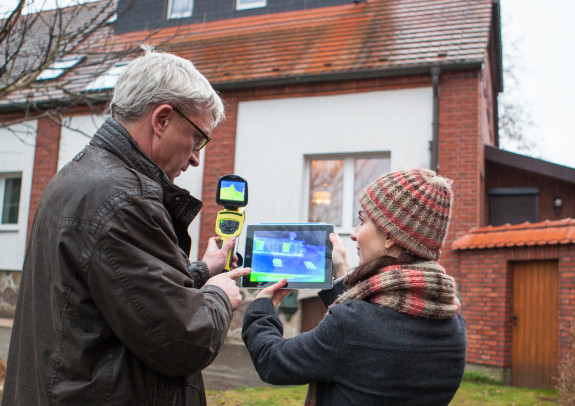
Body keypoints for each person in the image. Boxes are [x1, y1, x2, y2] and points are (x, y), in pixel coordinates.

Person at [3, 45, 250, 406]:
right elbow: (182, 340)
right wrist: (218, 295)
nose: (197, 158)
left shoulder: (83, 175)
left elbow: (121, 289)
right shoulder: (125, 201)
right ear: (162, 119)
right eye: (197, 139)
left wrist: (200, 272)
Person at [242, 168, 466, 406]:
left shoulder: (351, 323)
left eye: (362, 221)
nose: (354, 234)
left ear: (390, 236)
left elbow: (273, 361)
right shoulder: (453, 321)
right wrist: (342, 275)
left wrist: (260, 306)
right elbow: (367, 349)